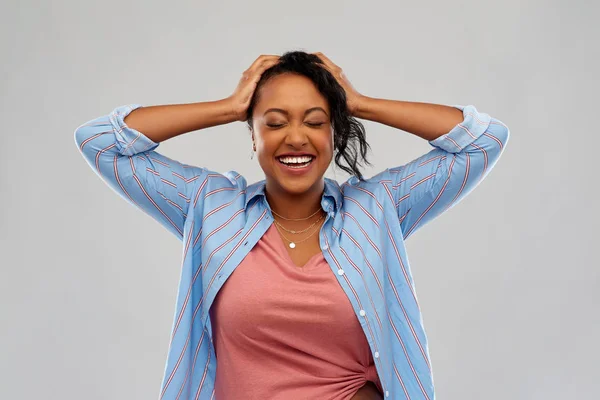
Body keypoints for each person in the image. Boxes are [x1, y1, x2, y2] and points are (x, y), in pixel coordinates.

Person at [73, 51, 510, 400]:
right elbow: (100, 142)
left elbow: (483, 141)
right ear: (253, 135)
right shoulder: (210, 208)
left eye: (316, 122)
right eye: (275, 122)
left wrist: (358, 103)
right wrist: (227, 107)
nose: (296, 137)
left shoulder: (377, 210)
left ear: (334, 132)